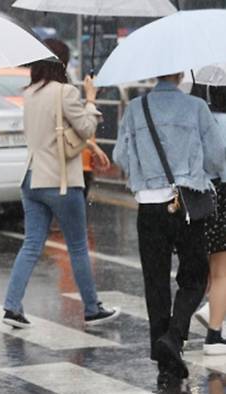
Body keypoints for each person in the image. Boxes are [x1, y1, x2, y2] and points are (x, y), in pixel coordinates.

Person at [113, 72, 224, 390]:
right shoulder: (196, 107)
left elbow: (121, 155)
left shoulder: (136, 108)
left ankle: (166, 367)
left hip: (149, 206)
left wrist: (145, 173)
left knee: (155, 282)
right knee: (194, 278)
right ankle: (175, 336)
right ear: (179, 74)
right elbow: (217, 157)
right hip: (188, 203)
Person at [2, 39, 120, 329]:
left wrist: (89, 146)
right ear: (62, 63)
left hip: (31, 178)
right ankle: (92, 308)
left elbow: (55, 132)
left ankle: (12, 306)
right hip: (60, 181)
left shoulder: (29, 93)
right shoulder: (65, 92)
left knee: (31, 245)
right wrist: (90, 98)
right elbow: (87, 126)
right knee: (78, 246)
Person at [188, 83, 226, 355]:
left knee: (213, 266)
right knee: (221, 270)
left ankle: (213, 311)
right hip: (223, 192)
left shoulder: (195, 119)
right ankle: (214, 333)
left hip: (199, 194)